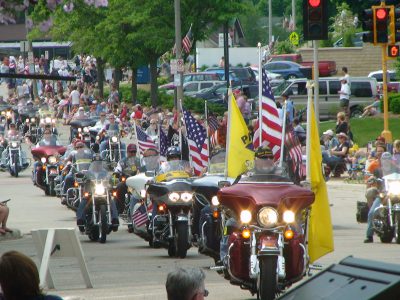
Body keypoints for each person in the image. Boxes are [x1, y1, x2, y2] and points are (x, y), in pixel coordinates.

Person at [76, 153, 119, 232]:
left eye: (99, 163)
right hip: (90, 192)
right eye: (95, 163)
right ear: (92, 163)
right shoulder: (88, 173)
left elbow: (111, 180)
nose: (97, 164)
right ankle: (80, 220)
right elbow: (82, 179)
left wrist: (114, 180)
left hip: (102, 192)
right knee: (84, 201)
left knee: (111, 200)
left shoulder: (105, 172)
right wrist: (82, 178)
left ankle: (115, 219)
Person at [113, 144, 144, 213]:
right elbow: (117, 170)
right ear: (127, 152)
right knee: (119, 187)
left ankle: (144, 209)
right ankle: (120, 209)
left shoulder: (140, 161)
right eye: (131, 152)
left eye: (134, 152)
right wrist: (116, 174)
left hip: (138, 183)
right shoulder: (122, 162)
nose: (132, 154)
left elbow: (145, 170)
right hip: (126, 182)